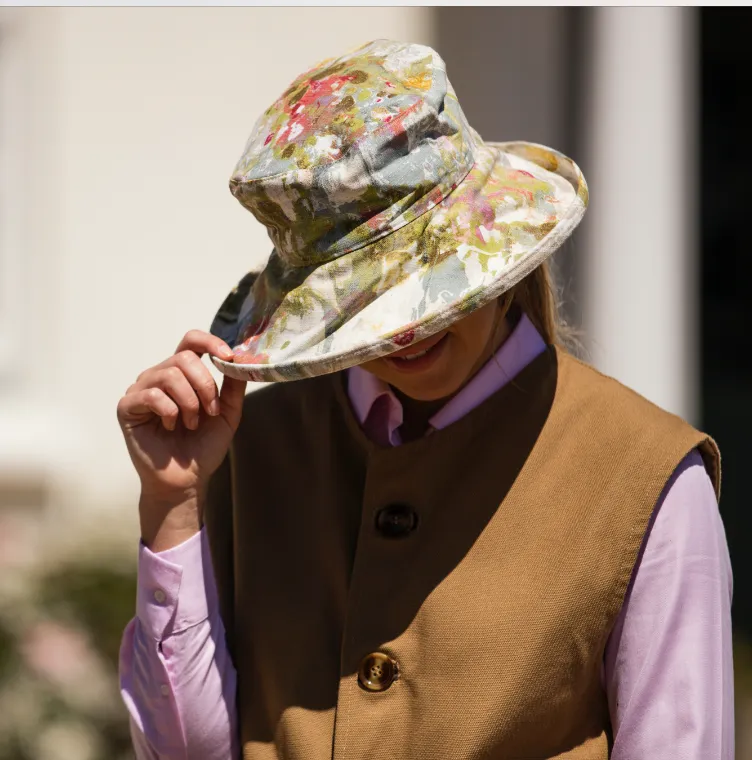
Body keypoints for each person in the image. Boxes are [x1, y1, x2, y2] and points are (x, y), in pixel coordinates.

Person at [116, 39, 734, 760]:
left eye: (418, 281)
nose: (402, 330)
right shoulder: (249, 447)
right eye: (362, 303)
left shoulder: (644, 477)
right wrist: (172, 508)